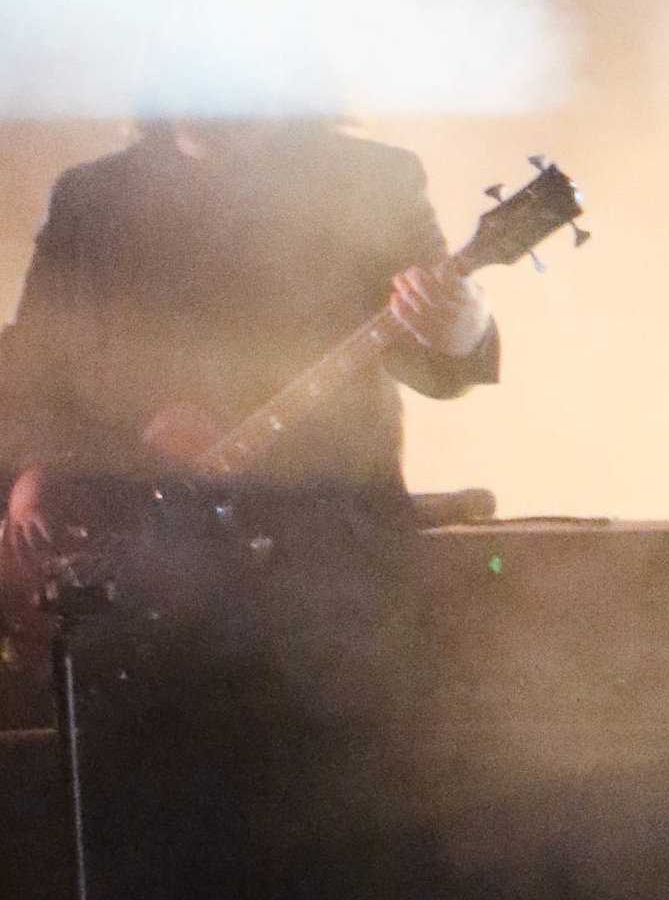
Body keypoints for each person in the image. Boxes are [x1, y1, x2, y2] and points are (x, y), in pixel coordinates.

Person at [0, 115, 497, 617]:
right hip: (136, 578)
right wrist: (69, 458)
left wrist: (465, 328)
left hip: (328, 577)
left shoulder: (371, 181)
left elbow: (436, 368)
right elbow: (26, 374)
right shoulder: (90, 197)